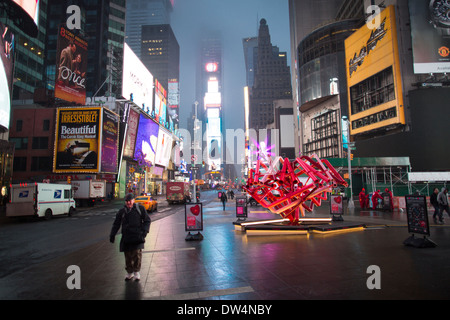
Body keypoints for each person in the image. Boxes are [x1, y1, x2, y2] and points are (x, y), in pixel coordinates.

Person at [110, 193, 151, 281]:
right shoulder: (122, 211)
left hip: (137, 236)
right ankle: (129, 272)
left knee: (137, 254)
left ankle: (136, 271)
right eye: (126, 201)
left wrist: (144, 232)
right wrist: (112, 234)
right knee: (127, 255)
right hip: (127, 237)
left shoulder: (140, 209)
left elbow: (147, 220)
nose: (128, 203)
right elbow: (116, 224)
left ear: (133, 200)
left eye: (130, 201)